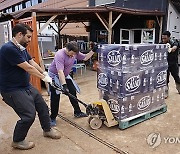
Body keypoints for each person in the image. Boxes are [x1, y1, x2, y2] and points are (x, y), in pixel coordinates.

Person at [0, 23, 61, 150]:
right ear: (19, 35)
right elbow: (27, 67)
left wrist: (44, 73)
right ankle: (18, 140)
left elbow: (31, 62)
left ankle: (47, 129)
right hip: (12, 90)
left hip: (25, 86)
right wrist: (43, 78)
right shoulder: (8, 49)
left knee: (43, 107)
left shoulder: (21, 48)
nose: (29, 40)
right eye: (28, 37)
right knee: (28, 115)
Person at [48, 41, 98, 126]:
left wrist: (93, 50)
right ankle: (52, 117)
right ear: (67, 49)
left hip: (66, 75)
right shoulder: (60, 55)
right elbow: (60, 72)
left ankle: (77, 112)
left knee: (72, 92)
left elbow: (85, 58)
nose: (72, 56)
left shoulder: (75, 52)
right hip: (54, 76)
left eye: (74, 55)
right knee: (55, 97)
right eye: (71, 54)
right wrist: (64, 86)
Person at [161, 31, 180, 98]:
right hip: (165, 63)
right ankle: (166, 92)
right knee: (165, 79)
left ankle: (179, 88)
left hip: (173, 63)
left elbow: (175, 47)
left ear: (169, 37)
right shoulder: (162, 43)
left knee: (176, 77)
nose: (163, 40)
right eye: (162, 38)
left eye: (165, 38)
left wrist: (171, 49)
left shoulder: (174, 41)